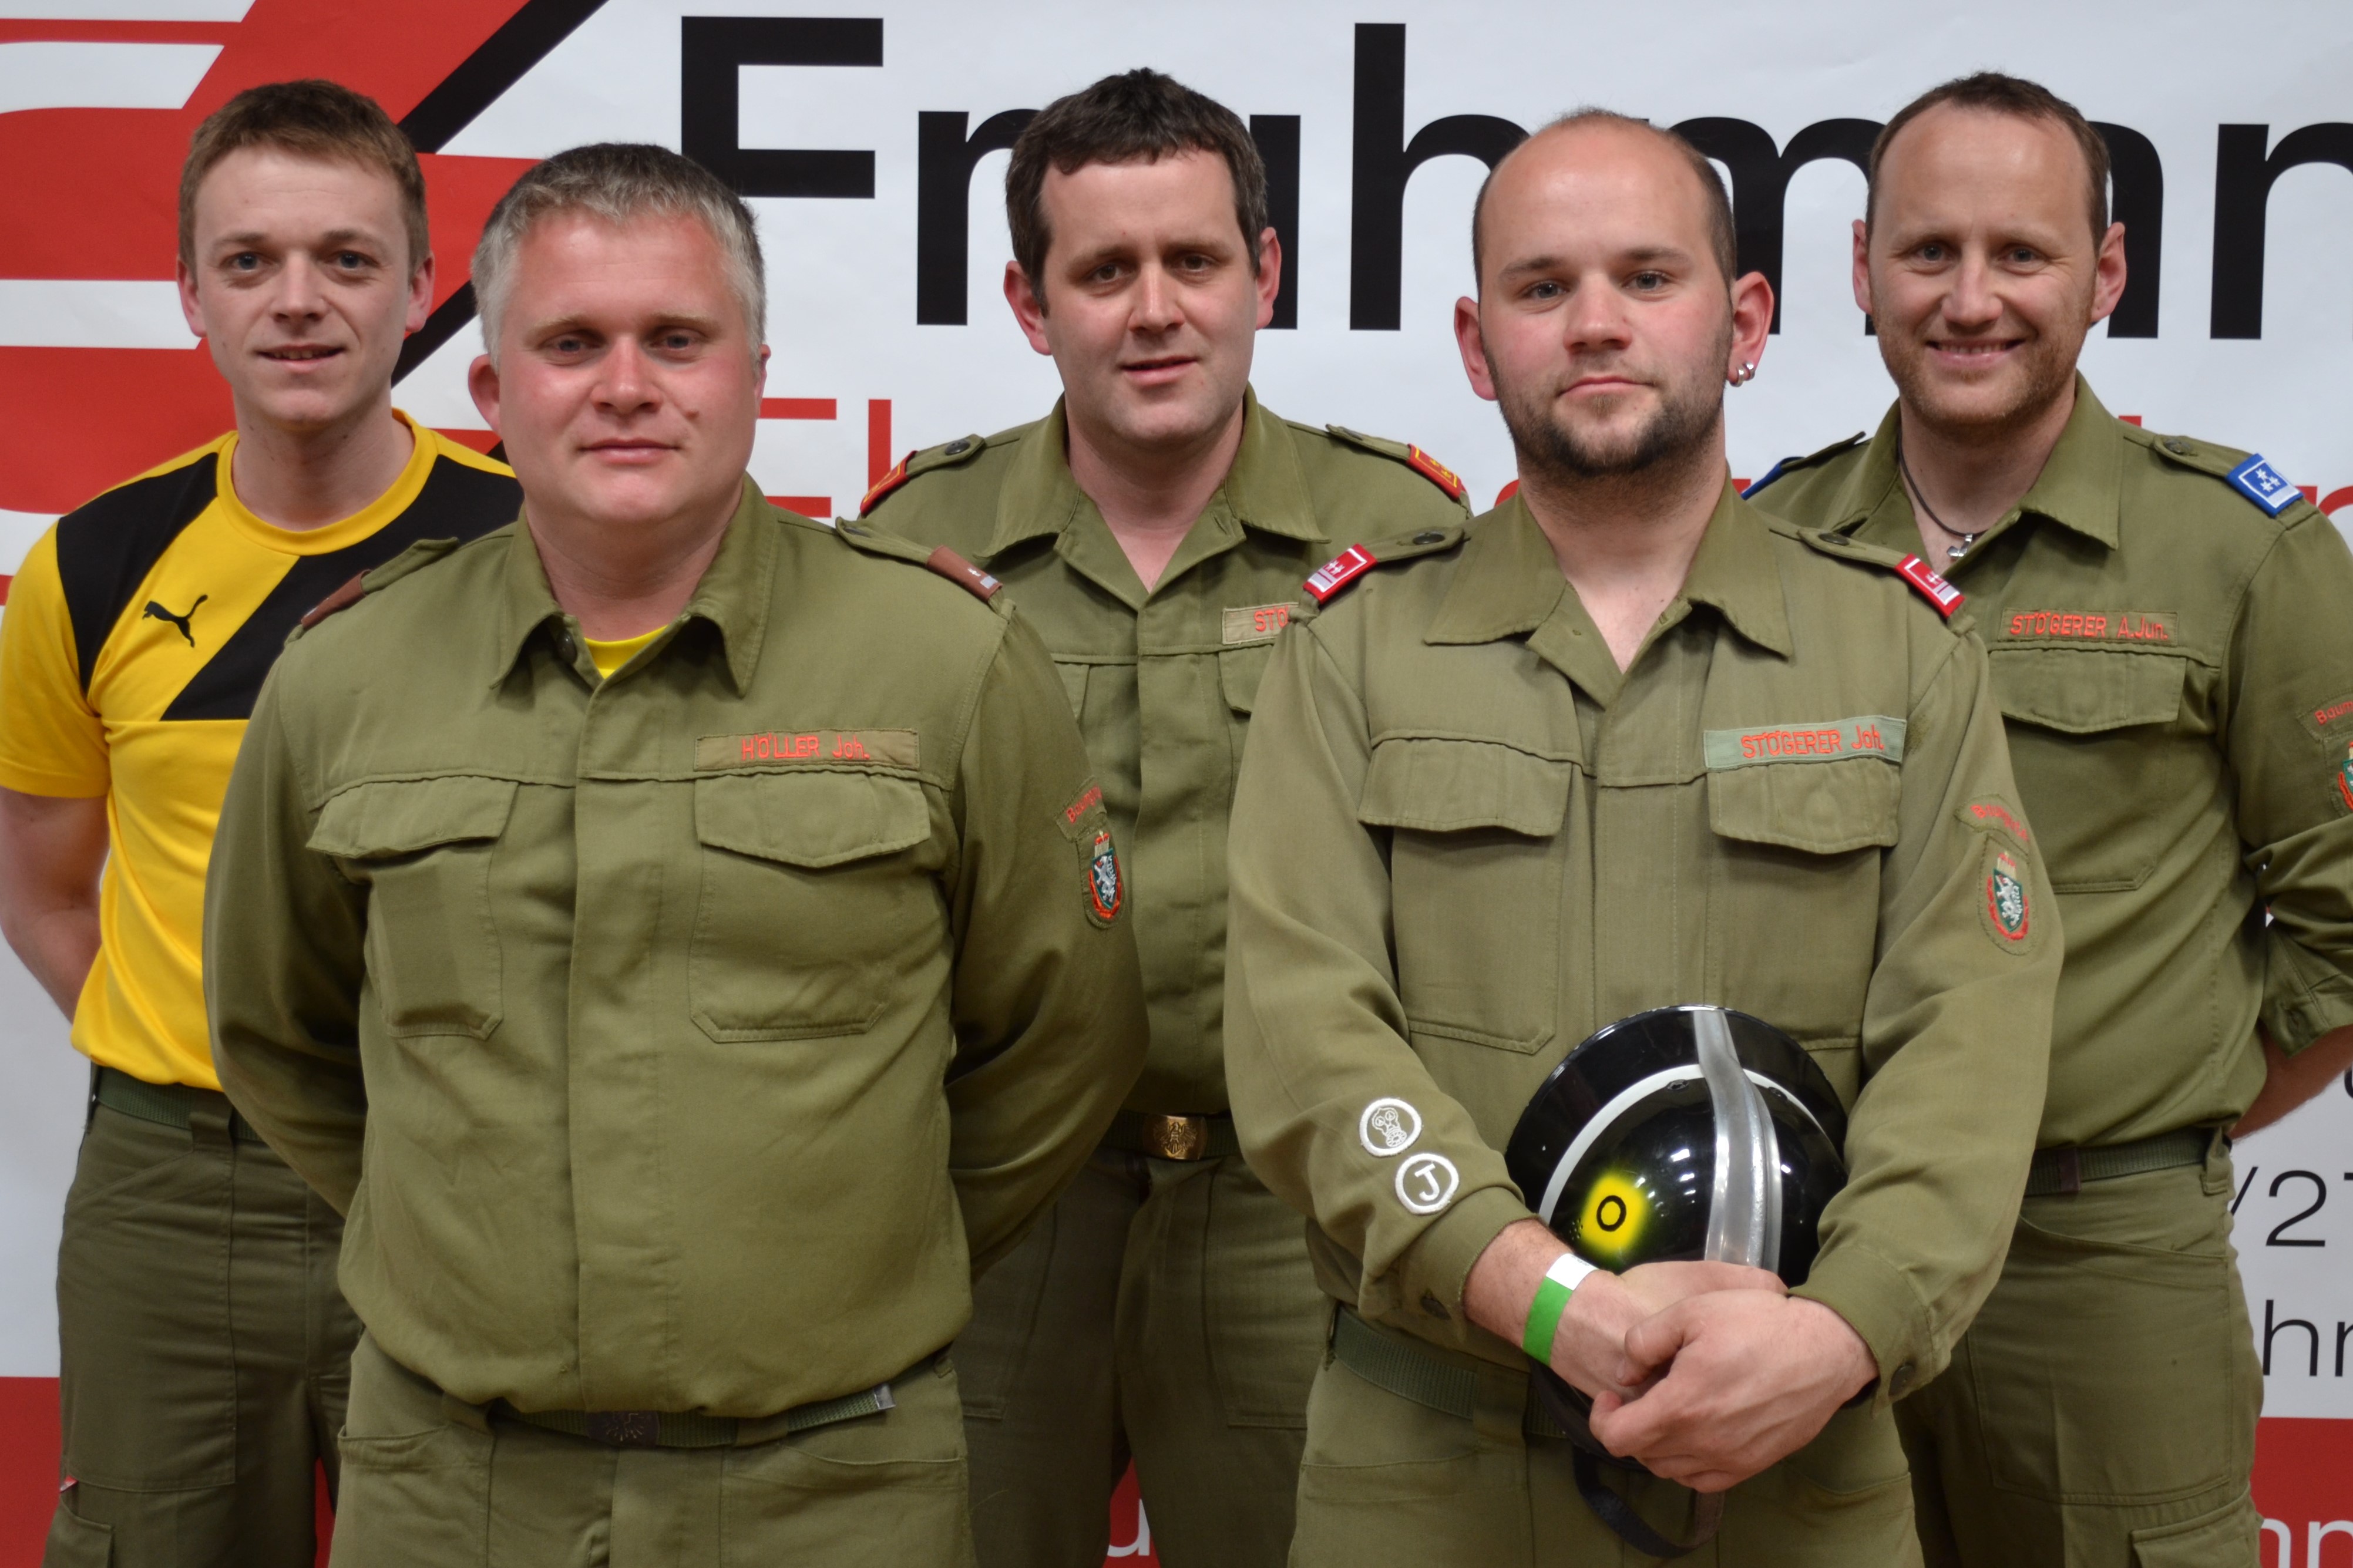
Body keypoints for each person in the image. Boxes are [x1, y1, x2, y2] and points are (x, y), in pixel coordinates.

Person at [203, 140, 1148, 1567]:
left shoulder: (942, 661)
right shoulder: (347, 675)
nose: (626, 386)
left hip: (832, 1489)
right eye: (571, 343)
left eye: (676, 340)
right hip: (452, 1487)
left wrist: (857, 1248)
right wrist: (465, 1239)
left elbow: (1067, 1035)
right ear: (491, 391)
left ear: (755, 375)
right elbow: (278, 1034)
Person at [1222, 109, 2063, 1565]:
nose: (1595, 322)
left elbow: (1970, 1045)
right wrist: (1555, 1304)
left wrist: (1841, 1334)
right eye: (1541, 287)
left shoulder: (1900, 655)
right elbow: (1308, 1045)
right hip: (1430, 1475)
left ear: (1744, 322)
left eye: (1647, 277)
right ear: (1477, 345)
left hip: (1796, 1463)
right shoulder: (1347, 656)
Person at [863, 69, 1470, 1568]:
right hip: (1006, 1203)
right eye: (1103, 271)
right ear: (1029, 302)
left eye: (1192, 261)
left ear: (1264, 273)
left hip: (1291, 1203)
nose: (1153, 311)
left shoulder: (1403, 540)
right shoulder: (910, 550)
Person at [1747, 72, 2353, 1566]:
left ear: (2105, 272)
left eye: (2018, 253)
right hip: (1806, 1256)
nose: (1969, 300)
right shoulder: (1763, 548)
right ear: (1861, 271)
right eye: (1926, 252)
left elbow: (2345, 930)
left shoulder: (2235, 553)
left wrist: (2162, 1097)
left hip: (2098, 1262)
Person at [0, 80, 518, 1566]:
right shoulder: (94, 563)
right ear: (191, 296)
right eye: (249, 262)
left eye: (347, 259)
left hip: (453, 1176)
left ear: (421, 290)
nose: (298, 301)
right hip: (172, 1197)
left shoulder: (528, 544)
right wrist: (187, 1047)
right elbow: (44, 888)